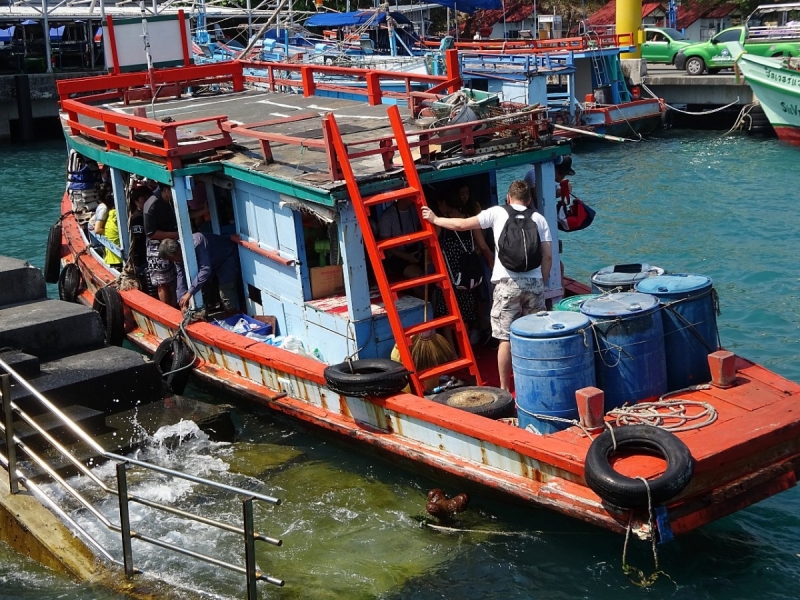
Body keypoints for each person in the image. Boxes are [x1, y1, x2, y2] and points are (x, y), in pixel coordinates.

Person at [422, 180, 552, 391]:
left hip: (506, 283)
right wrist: (541, 282)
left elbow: (461, 225)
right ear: (529, 200)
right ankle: (537, 383)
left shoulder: (497, 212)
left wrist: (435, 219)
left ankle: (503, 390)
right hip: (534, 283)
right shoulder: (539, 218)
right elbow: (547, 257)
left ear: (508, 197)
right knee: (534, 336)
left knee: (504, 338)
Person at [158, 233, 241, 315]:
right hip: (210, 262)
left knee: (226, 294)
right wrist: (181, 300)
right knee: (201, 293)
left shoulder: (197, 242)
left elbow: (205, 270)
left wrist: (189, 293)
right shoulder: (177, 256)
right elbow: (181, 276)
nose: (173, 261)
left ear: (177, 252)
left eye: (172, 258)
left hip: (226, 257)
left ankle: (234, 318)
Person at [144, 185, 179, 307]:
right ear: (166, 190)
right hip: (157, 247)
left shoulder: (170, 202)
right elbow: (151, 233)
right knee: (162, 282)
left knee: (176, 276)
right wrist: (176, 234)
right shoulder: (152, 205)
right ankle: (168, 310)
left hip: (173, 242)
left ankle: (177, 306)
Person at [377, 198, 424, 280]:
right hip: (397, 256)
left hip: (417, 251)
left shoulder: (414, 210)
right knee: (417, 275)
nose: (415, 198)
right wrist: (407, 257)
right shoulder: (386, 217)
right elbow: (386, 246)